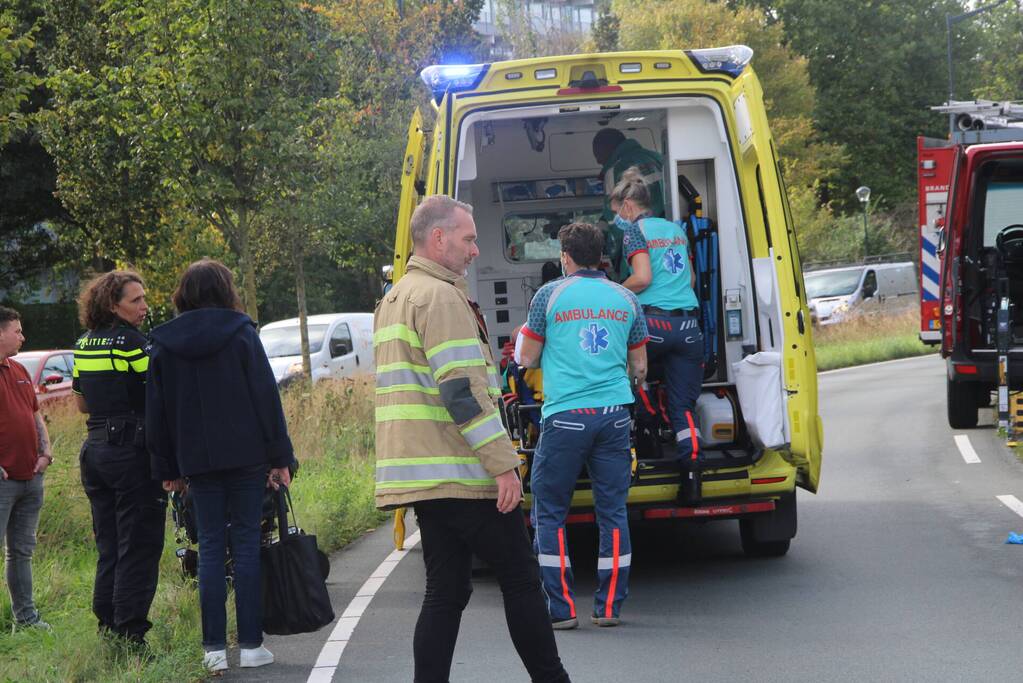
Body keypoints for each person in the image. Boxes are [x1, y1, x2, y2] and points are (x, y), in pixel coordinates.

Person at [374, 195, 570, 683]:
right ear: (438, 238)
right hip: (462, 470)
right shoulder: (441, 298)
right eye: (468, 239)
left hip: (425, 473)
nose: (476, 250)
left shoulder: (395, 298)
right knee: (521, 578)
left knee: (445, 591)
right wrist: (503, 464)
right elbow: (461, 392)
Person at [146, 259, 294, 672]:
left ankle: (213, 650)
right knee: (246, 544)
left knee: (210, 546)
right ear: (226, 289)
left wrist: (167, 468)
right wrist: (280, 458)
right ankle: (250, 646)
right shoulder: (242, 334)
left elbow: (157, 411)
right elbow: (266, 398)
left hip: (196, 460)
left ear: (183, 293)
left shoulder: (164, 344)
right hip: (246, 455)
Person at [517, 222, 648, 629]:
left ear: (566, 257)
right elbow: (640, 368)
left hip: (566, 418)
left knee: (550, 512)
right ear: (602, 257)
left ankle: (561, 610)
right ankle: (609, 608)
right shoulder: (626, 298)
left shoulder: (549, 295)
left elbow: (526, 358)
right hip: (614, 415)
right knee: (613, 512)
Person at [71, 271, 166, 650]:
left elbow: (81, 403)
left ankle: (107, 624)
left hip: (95, 451)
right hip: (131, 452)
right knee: (139, 544)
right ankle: (130, 634)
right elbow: (159, 395)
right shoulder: (132, 343)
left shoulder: (83, 343)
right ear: (113, 305)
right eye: (136, 300)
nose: (144, 307)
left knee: (109, 545)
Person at [612, 167, 704, 501]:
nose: (618, 219)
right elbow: (690, 280)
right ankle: (692, 476)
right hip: (689, 327)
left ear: (627, 206)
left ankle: (648, 422)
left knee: (630, 374)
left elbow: (642, 278)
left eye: (617, 212)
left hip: (653, 324)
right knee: (684, 408)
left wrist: (613, 291)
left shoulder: (634, 232)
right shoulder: (676, 230)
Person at [0, 306, 52, 632]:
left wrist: (46, 451)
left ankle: (27, 620)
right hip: (3, 479)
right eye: (17, 331)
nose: (23, 336)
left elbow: (34, 414)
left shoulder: (18, 370)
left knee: (21, 552)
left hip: (31, 476)